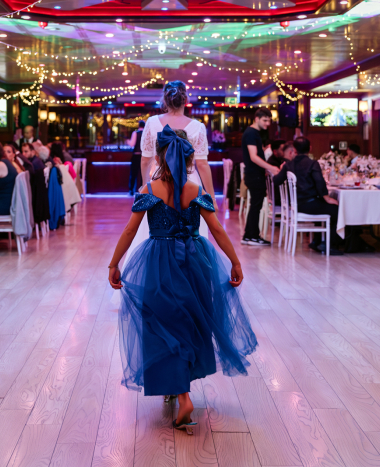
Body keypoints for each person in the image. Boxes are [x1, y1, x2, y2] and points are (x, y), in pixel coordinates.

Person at [107, 126, 258, 432]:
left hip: (159, 260)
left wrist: (114, 264)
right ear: (189, 157)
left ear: (160, 155)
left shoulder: (150, 190)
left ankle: (180, 393)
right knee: (189, 322)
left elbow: (129, 231)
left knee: (162, 324)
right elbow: (216, 229)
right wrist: (235, 260)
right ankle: (183, 389)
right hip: (194, 260)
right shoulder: (195, 190)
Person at [140, 81, 216, 209]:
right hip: (189, 182)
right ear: (186, 99)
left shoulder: (151, 123)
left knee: (156, 224)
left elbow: (145, 160)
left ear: (165, 100)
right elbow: (202, 164)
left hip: (158, 180)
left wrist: (144, 188)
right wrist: (211, 197)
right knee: (191, 224)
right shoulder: (198, 127)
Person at [273, 137, 343, 255]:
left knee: (321, 205)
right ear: (310, 149)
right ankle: (329, 245)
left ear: (294, 150)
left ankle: (316, 241)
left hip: (296, 205)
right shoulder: (312, 164)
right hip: (309, 204)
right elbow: (319, 182)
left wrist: (280, 170)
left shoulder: (288, 165)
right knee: (336, 209)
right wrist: (327, 197)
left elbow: (276, 181)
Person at [241, 108, 280, 246]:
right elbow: (253, 156)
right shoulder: (251, 133)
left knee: (255, 206)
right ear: (256, 119)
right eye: (265, 120)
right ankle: (253, 236)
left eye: (269, 121)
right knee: (255, 206)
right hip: (254, 175)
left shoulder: (254, 133)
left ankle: (248, 236)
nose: (267, 123)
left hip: (254, 174)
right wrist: (270, 167)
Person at [128, 120, 145, 195]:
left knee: (133, 174)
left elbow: (132, 144)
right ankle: (142, 190)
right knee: (143, 175)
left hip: (136, 156)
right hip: (143, 157)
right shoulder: (146, 133)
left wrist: (127, 141)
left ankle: (131, 190)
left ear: (139, 126)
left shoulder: (135, 133)